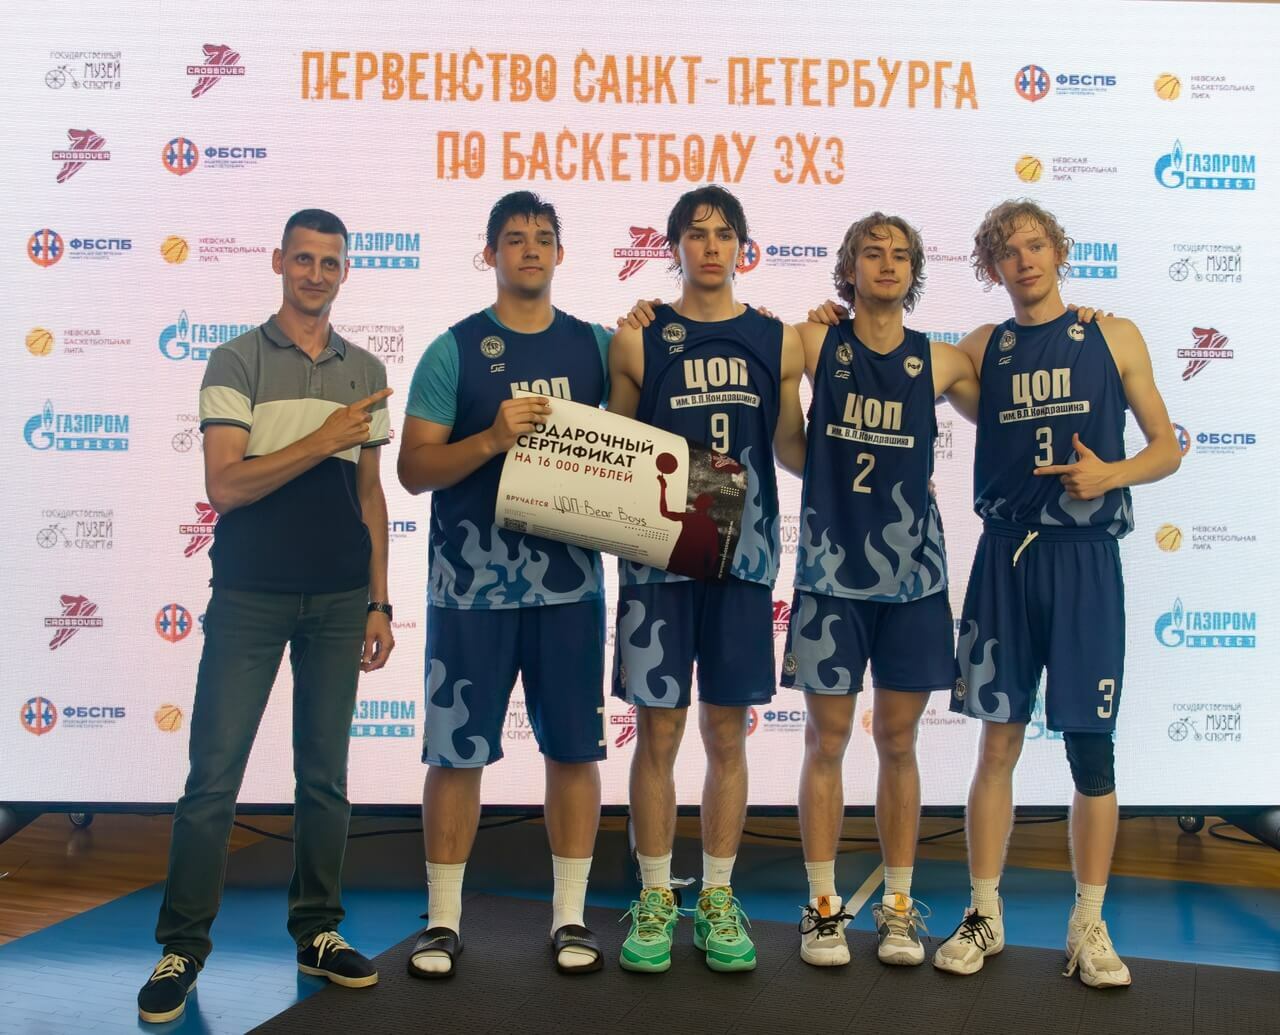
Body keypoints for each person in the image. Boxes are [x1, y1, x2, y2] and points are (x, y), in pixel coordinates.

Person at [138, 208, 394, 1024]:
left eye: (331, 262)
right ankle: (182, 947)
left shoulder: (366, 369)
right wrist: (320, 439)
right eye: (304, 259)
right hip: (250, 595)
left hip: (341, 599)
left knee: (324, 779)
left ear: (345, 271)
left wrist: (380, 600)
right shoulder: (235, 359)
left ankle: (318, 930)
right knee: (213, 780)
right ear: (279, 261)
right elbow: (226, 485)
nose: (316, 273)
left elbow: (370, 494)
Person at [931, 199, 1180, 988]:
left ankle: (1089, 922)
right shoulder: (983, 348)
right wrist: (831, 322)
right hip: (1006, 557)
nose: (1025, 259)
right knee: (996, 741)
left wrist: (1112, 473)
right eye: (1008, 251)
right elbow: (898, 362)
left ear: (1059, 251)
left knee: (1090, 748)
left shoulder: (1114, 334)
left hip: (1084, 559)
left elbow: (1168, 447)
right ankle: (984, 910)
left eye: (1036, 244)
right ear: (991, 267)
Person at [397, 191, 612, 978]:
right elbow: (413, 468)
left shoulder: (598, 346)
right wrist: (490, 438)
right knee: (457, 755)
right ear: (489, 254)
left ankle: (570, 917)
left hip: (570, 590)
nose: (529, 249)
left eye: (542, 237)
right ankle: (443, 922)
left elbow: (649, 433)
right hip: (470, 591)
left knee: (574, 751)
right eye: (514, 238)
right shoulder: (453, 350)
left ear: (560, 253)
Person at [608, 185, 806, 974]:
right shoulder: (638, 340)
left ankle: (718, 895)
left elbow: (790, 447)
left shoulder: (777, 340)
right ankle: (657, 894)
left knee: (726, 733)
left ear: (743, 247)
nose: (712, 245)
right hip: (658, 559)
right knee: (658, 731)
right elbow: (616, 449)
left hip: (743, 560)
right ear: (675, 247)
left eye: (726, 233)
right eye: (697, 233)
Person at [785, 214, 979, 968]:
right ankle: (822, 906)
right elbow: (737, 343)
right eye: (873, 253)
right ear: (849, 267)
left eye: (901, 255)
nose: (888, 264)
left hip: (913, 579)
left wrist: (1082, 326)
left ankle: (898, 907)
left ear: (916, 271)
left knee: (898, 741)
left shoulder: (942, 360)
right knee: (827, 740)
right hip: (830, 575)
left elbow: (1014, 382)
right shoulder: (814, 342)